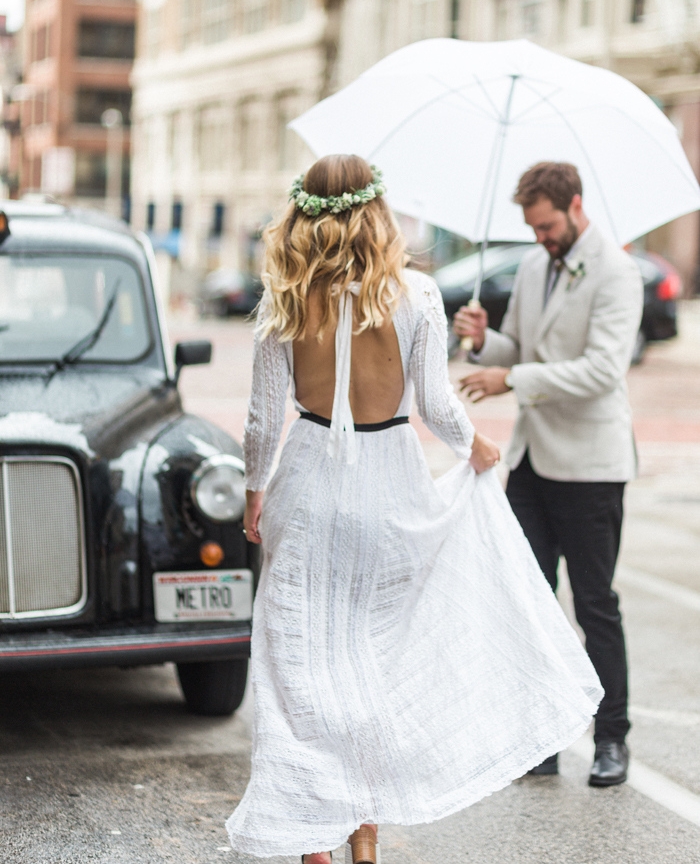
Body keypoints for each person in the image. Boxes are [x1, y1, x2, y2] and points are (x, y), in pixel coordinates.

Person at [225, 155, 602, 862]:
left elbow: (258, 420)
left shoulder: (285, 294)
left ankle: (313, 841)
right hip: (390, 483)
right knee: (377, 661)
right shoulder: (417, 295)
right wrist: (477, 447)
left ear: (304, 212)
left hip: (308, 485)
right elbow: (436, 407)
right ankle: (365, 833)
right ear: (377, 210)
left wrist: (254, 487)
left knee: (299, 665)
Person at [454, 161, 643, 788]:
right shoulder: (535, 266)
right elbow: (528, 354)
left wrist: (508, 377)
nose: (540, 237)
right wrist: (488, 343)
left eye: (548, 225)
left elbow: (600, 371)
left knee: (595, 605)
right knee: (532, 604)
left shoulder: (616, 272)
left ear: (576, 205)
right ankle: (542, 740)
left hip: (591, 468)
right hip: (531, 464)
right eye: (533, 227)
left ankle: (611, 739)